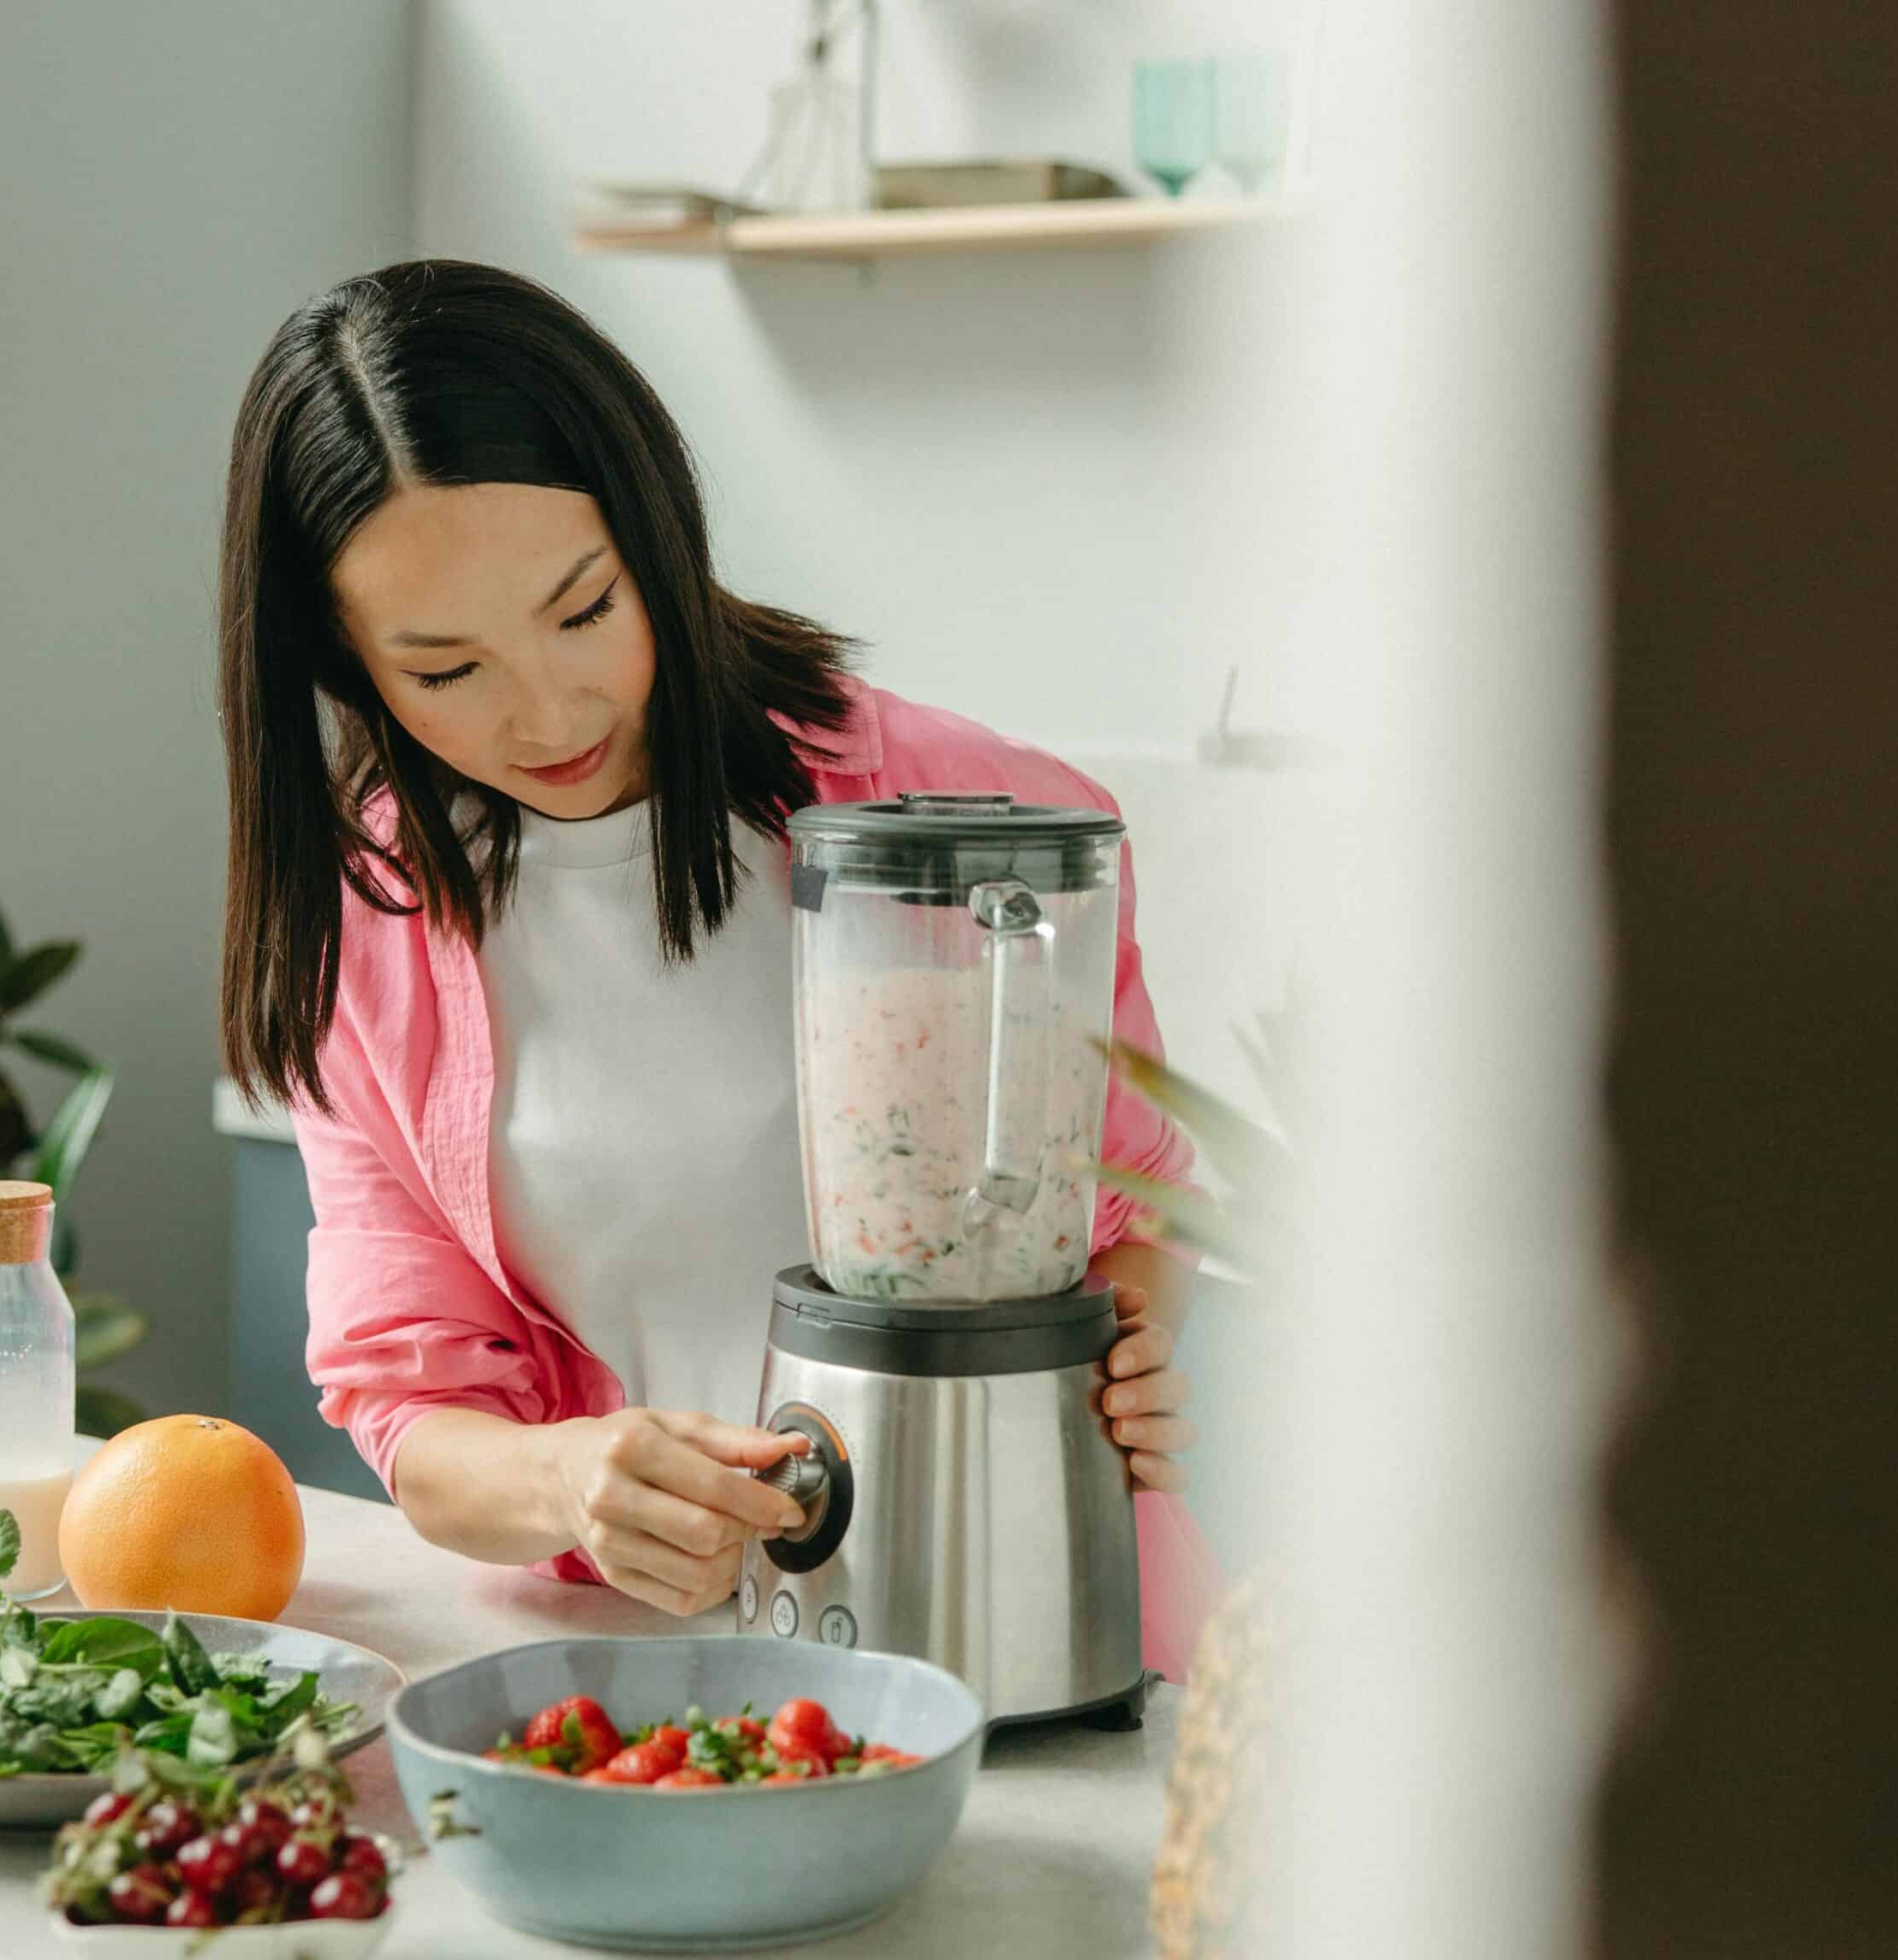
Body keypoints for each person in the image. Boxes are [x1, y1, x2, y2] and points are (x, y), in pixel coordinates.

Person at [217, 260, 1209, 1672]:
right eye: (445, 672)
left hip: (1040, 1642)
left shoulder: (968, 820)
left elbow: (1132, 1211)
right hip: (661, 1672)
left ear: (655, 533)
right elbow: (407, 1402)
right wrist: (569, 1479)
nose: (548, 712)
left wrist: (1133, 1351)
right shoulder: (368, 922)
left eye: (583, 611)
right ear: (343, 664)